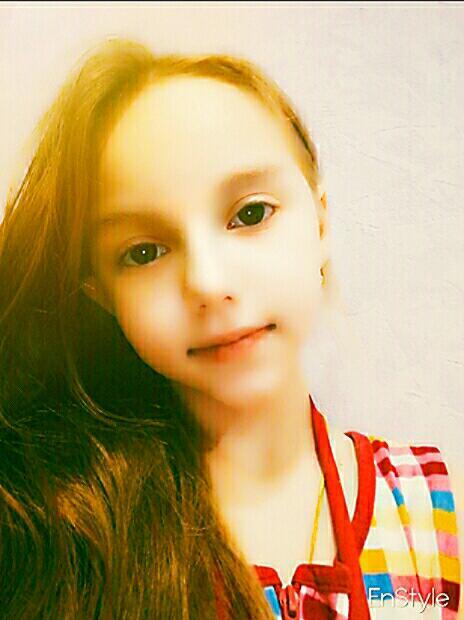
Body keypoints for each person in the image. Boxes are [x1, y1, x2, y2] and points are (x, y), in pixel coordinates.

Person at [0, 38, 462, 619]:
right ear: (101, 294)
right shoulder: (62, 535)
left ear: (320, 223)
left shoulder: (430, 507)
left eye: (250, 214)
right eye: (144, 252)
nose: (208, 282)